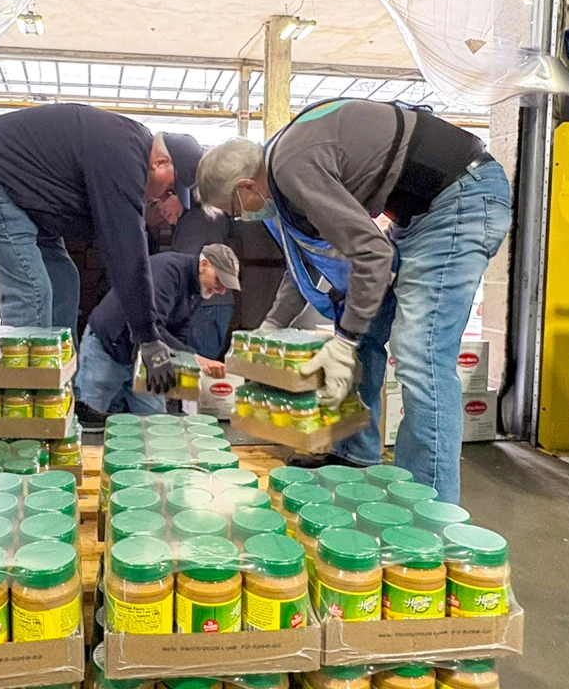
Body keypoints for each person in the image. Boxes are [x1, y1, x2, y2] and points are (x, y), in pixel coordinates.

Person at [196, 98, 511, 503]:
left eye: (234, 210)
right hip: (419, 213)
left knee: (420, 352)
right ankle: (355, 454)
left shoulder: (291, 166)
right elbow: (303, 261)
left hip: (460, 199)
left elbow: (372, 255)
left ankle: (429, 506)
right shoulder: (279, 166)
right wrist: (273, 327)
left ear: (245, 187)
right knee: (366, 331)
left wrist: (341, 342)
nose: (241, 218)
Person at [0, 104, 203, 389]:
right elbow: (126, 250)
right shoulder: (124, 154)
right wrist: (147, 338)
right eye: (169, 189)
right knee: (32, 291)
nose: (163, 198)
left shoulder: (128, 149)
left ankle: (61, 393)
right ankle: (25, 406)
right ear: (160, 162)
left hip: (27, 199)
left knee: (64, 281)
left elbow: (113, 235)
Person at [76, 244, 241, 418]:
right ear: (204, 265)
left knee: (157, 421)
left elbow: (180, 330)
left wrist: (181, 367)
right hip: (109, 347)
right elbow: (153, 326)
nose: (222, 290)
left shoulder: (198, 289)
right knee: (90, 419)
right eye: (219, 280)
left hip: (144, 358)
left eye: (226, 285)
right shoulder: (167, 271)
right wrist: (196, 359)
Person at [170, 204, 237, 359]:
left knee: (198, 365)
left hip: (204, 305)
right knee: (204, 361)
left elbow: (187, 272)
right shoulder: (219, 215)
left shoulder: (191, 223)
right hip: (221, 302)